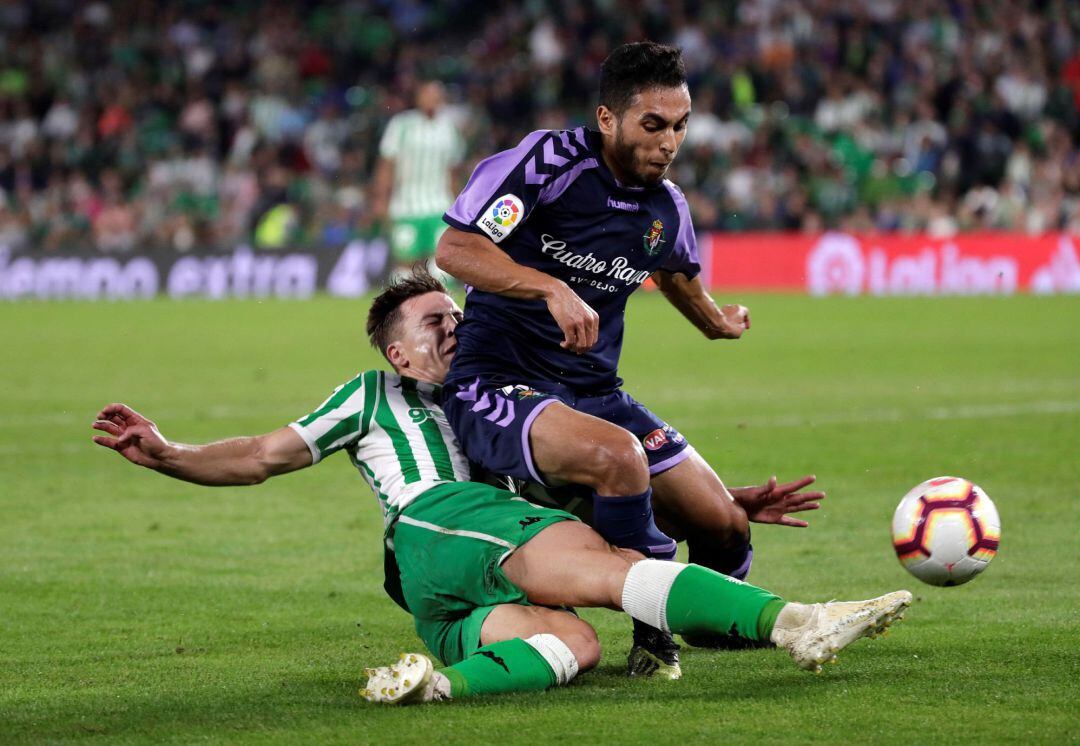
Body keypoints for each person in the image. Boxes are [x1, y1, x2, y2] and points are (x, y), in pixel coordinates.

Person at [91, 272, 911, 705]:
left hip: (451, 597)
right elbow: (263, 455)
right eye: (431, 324)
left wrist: (720, 503)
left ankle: (435, 684)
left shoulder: (504, 405)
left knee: (574, 646)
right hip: (437, 520)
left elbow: (586, 475)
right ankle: (797, 623)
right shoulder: (378, 397)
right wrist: (167, 452)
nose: (453, 326)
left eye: (456, 314)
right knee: (608, 569)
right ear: (400, 355)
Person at [435, 42, 762, 674]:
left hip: (595, 390)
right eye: (653, 125)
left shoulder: (666, 206)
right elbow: (455, 248)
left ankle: (720, 625)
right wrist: (550, 286)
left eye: (680, 125)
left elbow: (675, 276)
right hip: (500, 383)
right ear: (608, 119)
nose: (669, 142)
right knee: (619, 456)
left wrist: (716, 321)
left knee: (723, 524)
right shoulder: (548, 163)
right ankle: (652, 632)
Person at [372, 81, 465, 279]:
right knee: (406, 262)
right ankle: (403, 308)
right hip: (406, 206)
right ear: (418, 98)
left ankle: (437, 307)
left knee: (442, 261)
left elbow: (453, 171)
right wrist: (381, 199)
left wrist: (459, 205)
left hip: (440, 205)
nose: (431, 99)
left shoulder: (449, 128)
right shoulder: (401, 124)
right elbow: (387, 164)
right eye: (427, 94)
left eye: (436, 95)